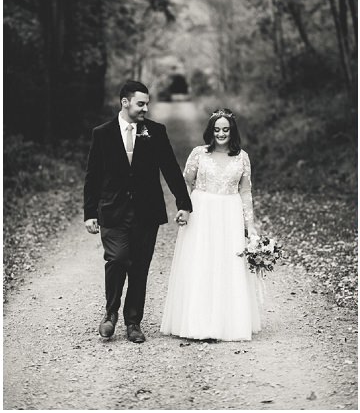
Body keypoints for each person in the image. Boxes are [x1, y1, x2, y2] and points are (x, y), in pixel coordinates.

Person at [84, 80, 192, 343]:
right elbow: (93, 175)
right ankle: (110, 313)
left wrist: (184, 203)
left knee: (140, 268)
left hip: (146, 211)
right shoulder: (102, 133)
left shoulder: (155, 131)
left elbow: (169, 167)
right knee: (118, 258)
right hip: (113, 210)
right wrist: (90, 212)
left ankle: (134, 322)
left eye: (147, 103)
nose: (146, 108)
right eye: (141, 103)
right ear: (125, 102)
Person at [160, 108, 262, 341]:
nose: (221, 133)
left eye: (226, 129)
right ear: (211, 131)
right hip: (202, 212)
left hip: (230, 213)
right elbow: (185, 183)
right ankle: (197, 322)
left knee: (227, 265)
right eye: (217, 129)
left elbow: (245, 192)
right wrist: (184, 208)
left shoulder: (242, 157)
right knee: (201, 262)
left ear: (232, 132)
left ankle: (226, 323)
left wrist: (251, 226)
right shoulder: (199, 154)